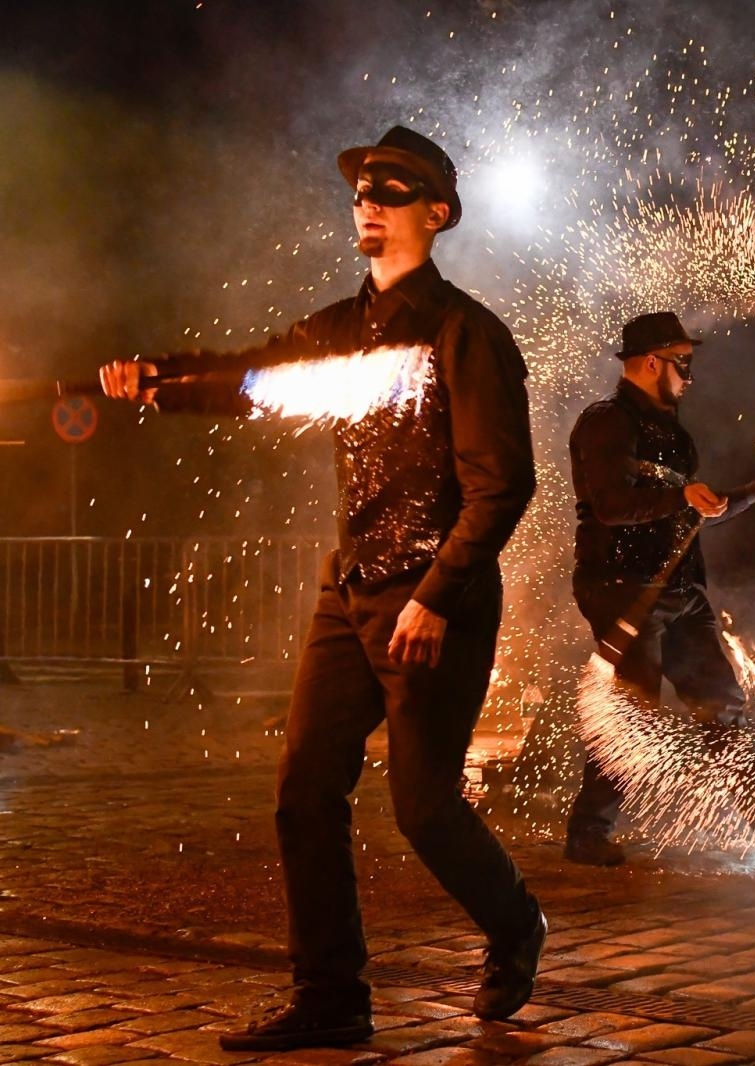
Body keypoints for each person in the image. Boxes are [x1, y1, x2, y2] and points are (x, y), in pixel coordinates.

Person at [99, 126, 545, 1050]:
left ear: (439, 213)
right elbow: (254, 377)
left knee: (425, 809)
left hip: (434, 602)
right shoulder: (340, 331)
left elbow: (503, 486)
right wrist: (158, 382)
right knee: (304, 791)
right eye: (361, 191)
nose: (370, 202)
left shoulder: (467, 335)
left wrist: (437, 592)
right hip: (350, 597)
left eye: (394, 189)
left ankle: (515, 924)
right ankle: (331, 999)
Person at [564, 311, 755, 866]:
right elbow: (611, 506)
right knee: (633, 711)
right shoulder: (605, 423)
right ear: (652, 363)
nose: (689, 377)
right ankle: (588, 833)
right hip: (623, 588)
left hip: (680, 589)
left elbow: (695, 514)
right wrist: (681, 499)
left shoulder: (674, 434)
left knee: (722, 705)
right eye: (682, 364)